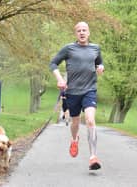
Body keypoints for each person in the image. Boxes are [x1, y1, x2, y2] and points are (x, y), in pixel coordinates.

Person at [49, 21, 104, 170]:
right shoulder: (69, 49)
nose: (81, 32)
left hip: (89, 90)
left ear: (89, 32)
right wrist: (60, 79)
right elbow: (53, 64)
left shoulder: (95, 48)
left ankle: (93, 157)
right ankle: (74, 139)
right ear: (76, 34)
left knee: (90, 120)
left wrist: (100, 68)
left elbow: (100, 62)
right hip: (72, 92)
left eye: (84, 30)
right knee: (75, 123)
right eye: (79, 30)